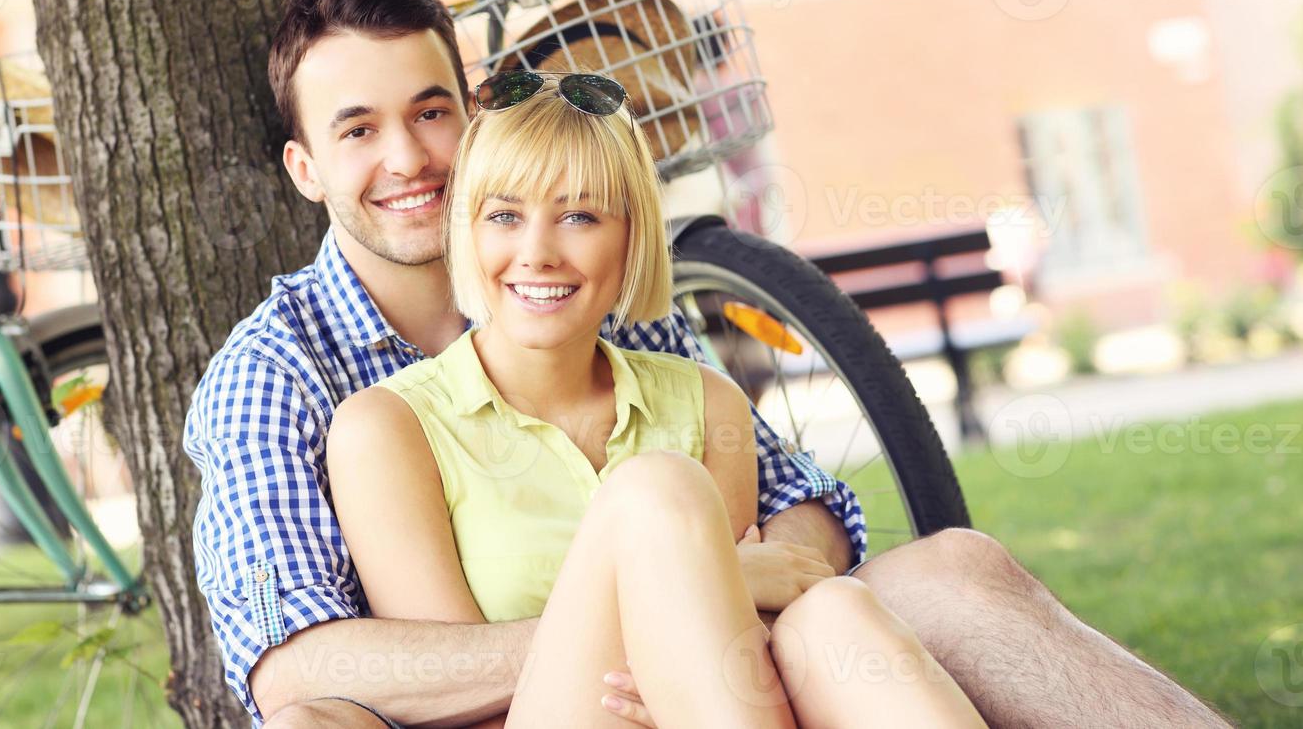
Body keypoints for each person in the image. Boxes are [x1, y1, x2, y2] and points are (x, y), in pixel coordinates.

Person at [184, 0, 1230, 729]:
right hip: (537, 702)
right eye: (358, 129)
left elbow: (807, 507)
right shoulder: (281, 377)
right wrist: (660, 608)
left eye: (431, 111)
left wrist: (726, 595)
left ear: (476, 117)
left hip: (721, 665)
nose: (409, 157)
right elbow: (295, 673)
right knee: (661, 504)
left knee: (952, 567)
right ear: (305, 167)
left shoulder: (591, 288)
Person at [326, 68, 987, 728]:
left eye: (579, 215)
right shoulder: (388, 428)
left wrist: (697, 620)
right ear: (466, 231)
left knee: (833, 616)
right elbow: (454, 702)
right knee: (656, 490)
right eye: (504, 215)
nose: (537, 253)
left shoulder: (706, 403)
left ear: (631, 233)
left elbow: (733, 647)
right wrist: (693, 590)